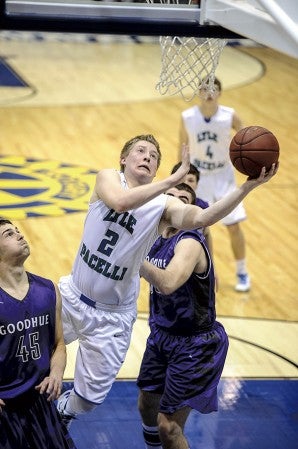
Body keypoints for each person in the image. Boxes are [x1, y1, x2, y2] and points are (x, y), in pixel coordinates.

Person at [56, 134, 277, 428]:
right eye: (140, 151)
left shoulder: (162, 207)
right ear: (124, 159)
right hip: (72, 296)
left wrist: (247, 188)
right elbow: (120, 203)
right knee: (25, 355)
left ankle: (62, 410)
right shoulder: (108, 178)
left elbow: (203, 218)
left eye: (153, 156)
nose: (147, 156)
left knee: (87, 400)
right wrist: (171, 180)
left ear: (157, 168)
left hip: (112, 317)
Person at [137, 183, 228, 449]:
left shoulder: (189, 242)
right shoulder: (156, 238)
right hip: (161, 335)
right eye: (170, 197)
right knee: (146, 405)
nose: (175, 203)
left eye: (183, 199)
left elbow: (167, 283)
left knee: (170, 427)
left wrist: (129, 257)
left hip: (194, 344)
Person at [0, 218, 76, 449]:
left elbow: (60, 344)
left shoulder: (49, 289)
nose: (20, 235)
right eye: (8, 235)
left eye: (18, 231)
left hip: (40, 403)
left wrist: (56, 373)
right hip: (5, 408)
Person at [179, 77, 250, 292]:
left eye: (214, 89)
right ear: (199, 92)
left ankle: (242, 271)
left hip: (223, 175)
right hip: (200, 177)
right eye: (204, 88)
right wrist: (182, 175)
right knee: (194, 228)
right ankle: (195, 274)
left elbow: (247, 136)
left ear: (220, 92)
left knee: (233, 225)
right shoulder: (187, 116)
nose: (209, 92)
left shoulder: (229, 115)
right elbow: (182, 146)